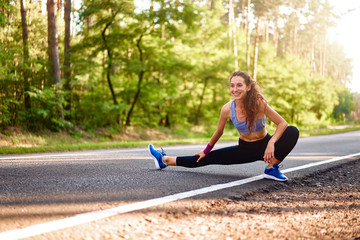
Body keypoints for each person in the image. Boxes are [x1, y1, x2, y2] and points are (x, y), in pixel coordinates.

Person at [148, 70, 299, 181]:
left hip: (266, 147)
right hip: (245, 149)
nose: (235, 89)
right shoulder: (227, 109)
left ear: (248, 87)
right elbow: (219, 132)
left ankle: (271, 168)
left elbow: (282, 123)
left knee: (292, 131)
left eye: (239, 85)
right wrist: (206, 150)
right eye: (232, 86)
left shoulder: (259, 103)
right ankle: (165, 160)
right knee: (205, 159)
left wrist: (271, 143)